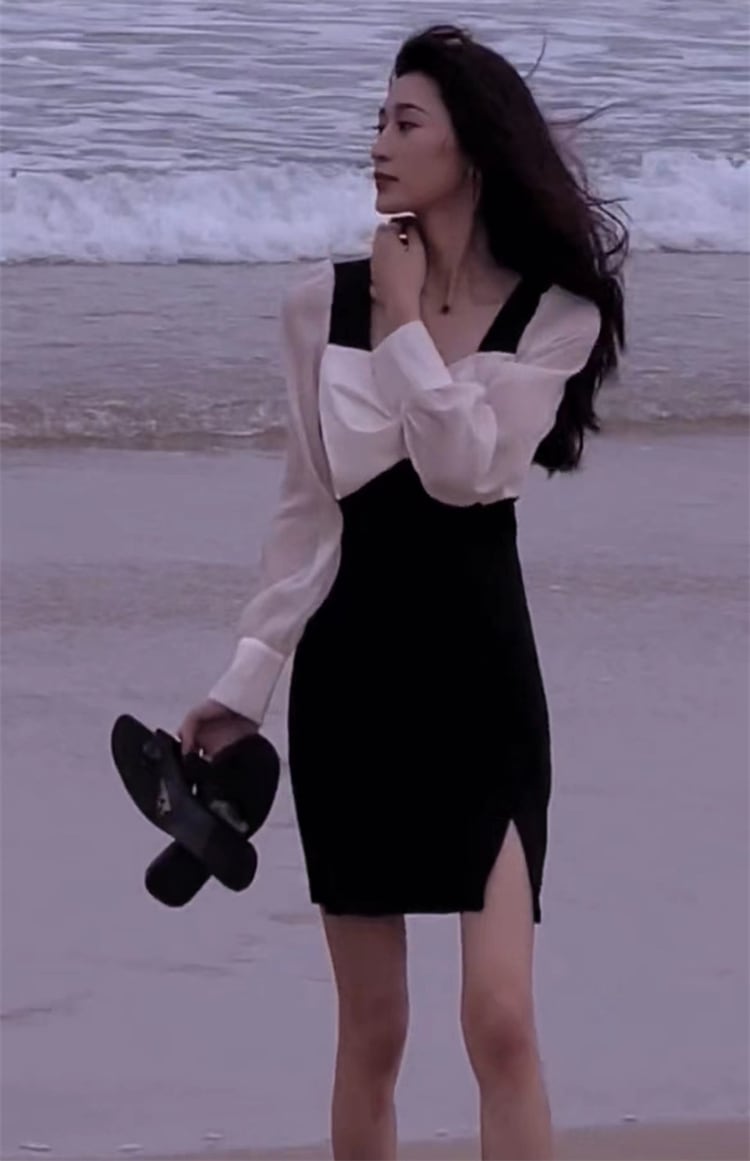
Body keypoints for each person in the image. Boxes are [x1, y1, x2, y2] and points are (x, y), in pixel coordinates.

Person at [178, 22, 627, 1161]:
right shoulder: (312, 309)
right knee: (372, 1031)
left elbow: (465, 468)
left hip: (481, 681)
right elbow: (305, 518)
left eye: (404, 121)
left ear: (469, 147)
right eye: (377, 119)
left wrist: (407, 324)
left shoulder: (555, 318)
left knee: (502, 1021)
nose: (377, 141)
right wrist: (245, 685)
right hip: (353, 687)